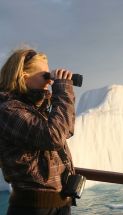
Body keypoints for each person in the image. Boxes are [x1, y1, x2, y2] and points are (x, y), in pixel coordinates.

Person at [0, 48, 76, 215]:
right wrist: (63, 92)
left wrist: (59, 97)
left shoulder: (37, 109)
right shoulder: (8, 111)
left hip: (60, 205)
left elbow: (65, 131)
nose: (50, 81)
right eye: (45, 76)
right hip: (33, 208)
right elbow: (53, 137)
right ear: (24, 77)